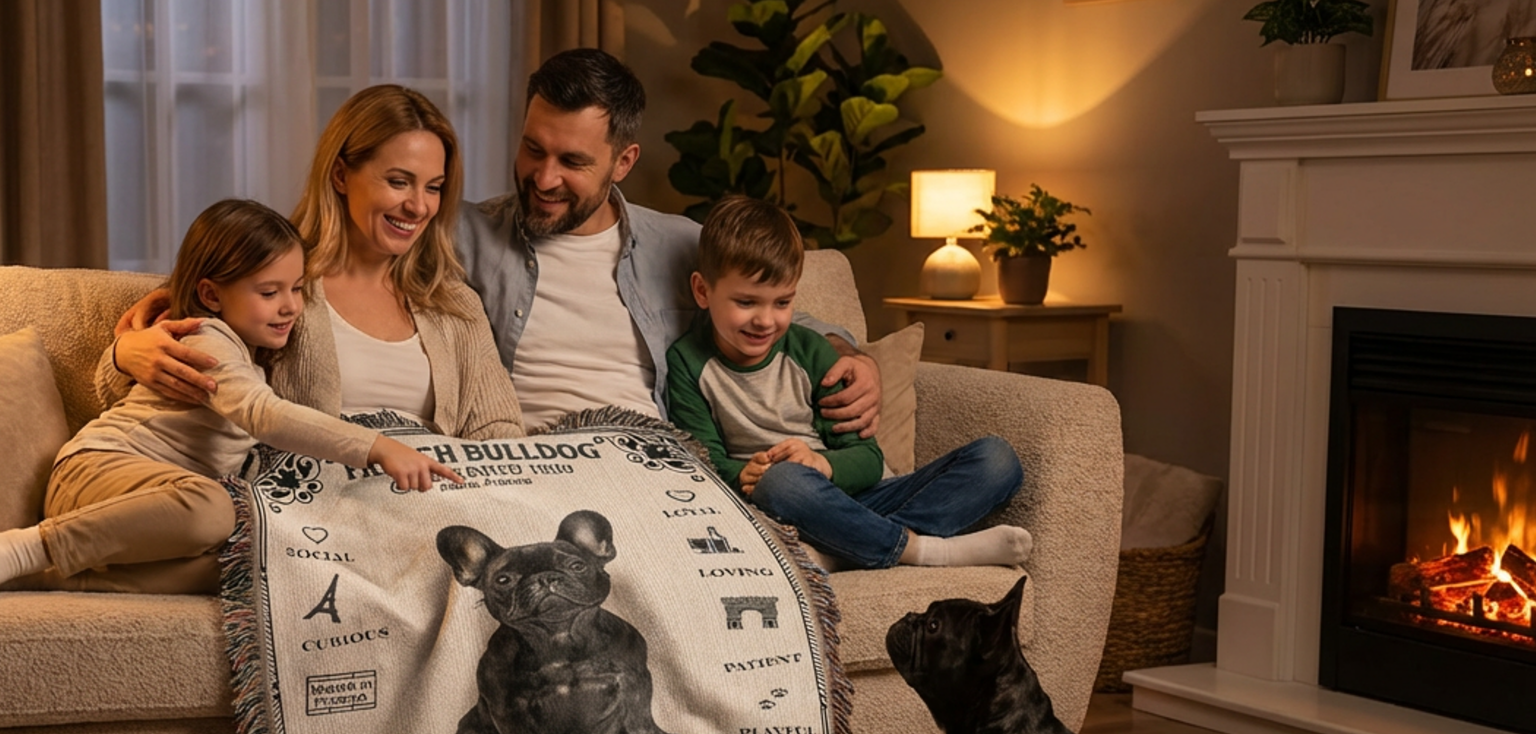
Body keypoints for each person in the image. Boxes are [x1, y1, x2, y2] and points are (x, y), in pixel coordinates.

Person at [109, 49, 884, 438]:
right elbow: (250, 275)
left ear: (623, 162)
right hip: (532, 460)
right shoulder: (459, 237)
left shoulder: (684, 246)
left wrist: (853, 355)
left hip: (652, 456)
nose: (542, 178)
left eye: (572, 162)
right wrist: (131, 344)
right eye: (531, 149)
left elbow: (772, 312)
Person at [0, 199, 463, 610]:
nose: (290, 307)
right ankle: (24, 549)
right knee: (214, 510)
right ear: (210, 294)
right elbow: (265, 415)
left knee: (251, 568)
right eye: (269, 291)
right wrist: (376, 447)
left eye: (297, 289)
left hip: (150, 512)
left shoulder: (247, 353)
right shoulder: (206, 338)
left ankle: (36, 574)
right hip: (99, 476)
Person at [101, 85, 523, 442]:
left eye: (433, 187)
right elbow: (141, 391)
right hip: (312, 512)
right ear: (340, 175)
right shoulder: (273, 282)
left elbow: (500, 431)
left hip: (433, 507)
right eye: (398, 182)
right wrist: (124, 354)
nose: (418, 206)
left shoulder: (454, 305)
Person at [668, 196, 1031, 573]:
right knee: (784, 482)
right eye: (746, 302)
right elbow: (701, 461)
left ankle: (841, 548)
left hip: (857, 498)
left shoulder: (811, 350)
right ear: (702, 291)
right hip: (779, 504)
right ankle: (924, 551)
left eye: (782, 302)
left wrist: (821, 463)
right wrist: (743, 474)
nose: (766, 320)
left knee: (997, 460)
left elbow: (869, 460)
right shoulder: (687, 361)